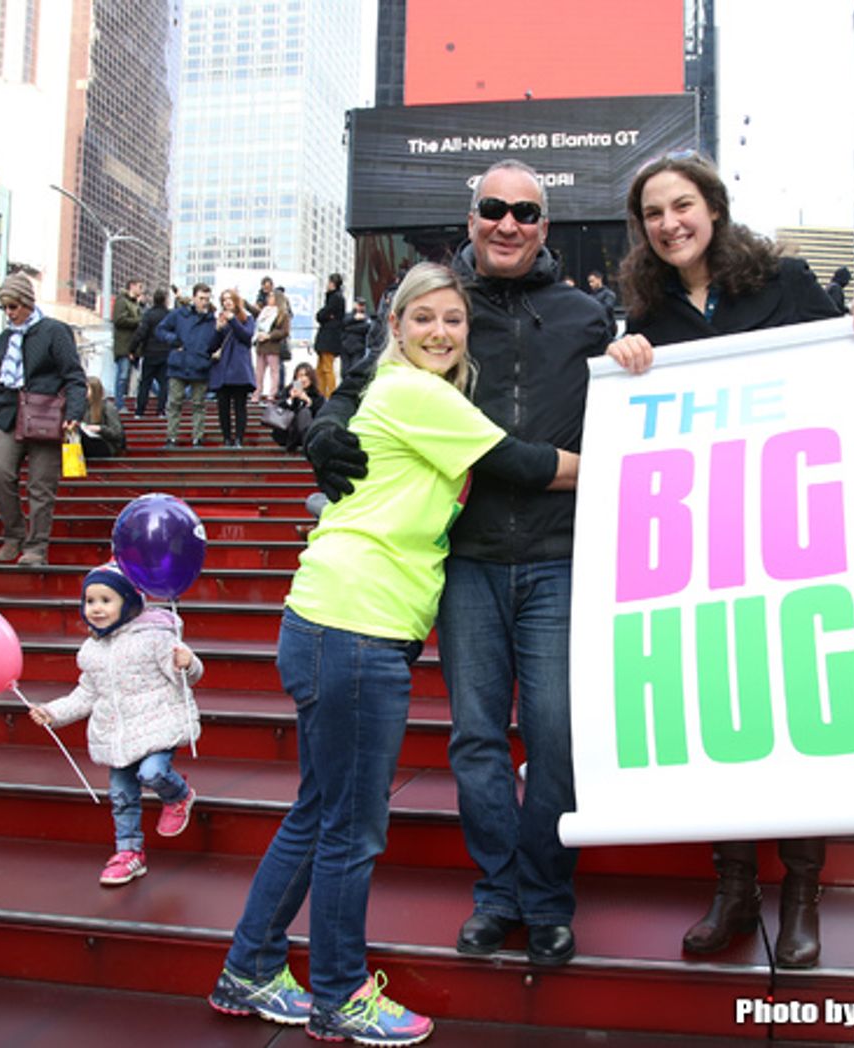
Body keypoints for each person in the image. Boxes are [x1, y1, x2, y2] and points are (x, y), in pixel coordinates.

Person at [209, 263, 579, 1043]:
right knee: (351, 827)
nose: (441, 331)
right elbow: (525, 465)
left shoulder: (416, 393)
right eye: (424, 320)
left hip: (334, 618)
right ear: (396, 328)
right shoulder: (417, 394)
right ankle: (339, 995)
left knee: (319, 812)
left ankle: (249, 968)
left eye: (455, 319)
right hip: (355, 624)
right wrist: (641, 464)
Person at [306, 159, 619, 968]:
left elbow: (644, 382)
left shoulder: (588, 315)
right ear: (471, 217)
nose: (507, 223)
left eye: (525, 211)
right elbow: (368, 381)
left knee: (555, 741)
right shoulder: (442, 308)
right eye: (493, 208)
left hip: (559, 556)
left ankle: (547, 899)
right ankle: (498, 894)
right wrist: (324, 424)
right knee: (477, 741)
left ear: (545, 227)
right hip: (466, 562)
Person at [606, 151, 854, 969]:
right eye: (653, 212)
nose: (669, 223)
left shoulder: (787, 280)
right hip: (707, 544)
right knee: (720, 711)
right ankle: (734, 890)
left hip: (796, 530)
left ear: (716, 209)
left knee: (799, 707)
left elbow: (847, 361)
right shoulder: (648, 314)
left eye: (682, 204)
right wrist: (629, 355)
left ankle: (801, 894)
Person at [28, 563, 203, 886]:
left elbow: (187, 676)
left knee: (152, 773)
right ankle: (129, 853)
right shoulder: (92, 650)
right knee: (122, 797)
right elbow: (85, 694)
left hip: (156, 724)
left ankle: (178, 795)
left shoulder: (155, 637)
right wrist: (53, 712)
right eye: (90, 601)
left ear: (128, 601)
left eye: (106, 600)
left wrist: (188, 663)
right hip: (116, 735)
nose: (96, 608)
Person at [0, 271, 86, 566]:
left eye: (13, 306)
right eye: (4, 307)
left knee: (41, 486)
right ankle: (14, 533)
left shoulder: (54, 330)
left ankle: (36, 547)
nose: (9, 313)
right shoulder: (5, 338)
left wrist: (74, 414)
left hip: (47, 417)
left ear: (27, 303)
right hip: (8, 414)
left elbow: (75, 376)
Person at [156, 283, 217, 448]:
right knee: (174, 402)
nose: (204, 302)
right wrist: (173, 340)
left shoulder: (212, 320)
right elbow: (160, 330)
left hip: (200, 364)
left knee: (199, 404)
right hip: (180, 363)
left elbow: (216, 340)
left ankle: (197, 437)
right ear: (194, 297)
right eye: (201, 298)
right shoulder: (179, 315)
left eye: (207, 299)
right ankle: (171, 437)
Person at [208, 289, 256, 448]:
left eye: (230, 299)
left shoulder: (246, 318)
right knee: (223, 406)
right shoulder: (220, 319)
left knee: (240, 406)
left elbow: (247, 336)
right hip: (223, 368)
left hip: (239, 368)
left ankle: (239, 439)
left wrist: (233, 320)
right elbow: (212, 346)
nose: (227, 302)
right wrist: (217, 330)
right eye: (224, 300)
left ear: (236, 301)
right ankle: (227, 438)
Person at [131, 288, 172, 417]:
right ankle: (161, 410)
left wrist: (132, 349)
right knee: (164, 384)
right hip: (165, 353)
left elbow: (140, 333)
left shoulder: (148, 314)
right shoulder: (169, 315)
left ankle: (140, 411)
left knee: (145, 383)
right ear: (165, 300)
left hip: (149, 353)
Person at [268, 362, 325, 454]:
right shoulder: (288, 391)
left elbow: (321, 415)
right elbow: (278, 411)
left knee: (305, 412)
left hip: (310, 432)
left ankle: (306, 442)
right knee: (302, 413)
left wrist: (308, 401)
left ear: (311, 378)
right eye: (300, 375)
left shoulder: (317, 395)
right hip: (289, 432)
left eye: (306, 375)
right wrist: (290, 399)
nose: (303, 379)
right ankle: (306, 444)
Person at [252, 289, 290, 402]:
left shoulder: (282, 314)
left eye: (272, 297)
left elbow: (284, 331)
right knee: (259, 371)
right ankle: (257, 391)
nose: (269, 299)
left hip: (273, 347)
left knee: (274, 371)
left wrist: (269, 336)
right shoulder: (264, 311)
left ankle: (272, 393)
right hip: (261, 345)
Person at [111, 280, 143, 409]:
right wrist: (138, 321)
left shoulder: (135, 304)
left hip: (134, 347)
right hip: (124, 346)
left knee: (141, 375)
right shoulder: (122, 301)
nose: (141, 290)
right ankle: (119, 404)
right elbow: (118, 320)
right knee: (123, 376)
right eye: (140, 286)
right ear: (132, 286)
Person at [313, 273, 345, 398]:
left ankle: (329, 394)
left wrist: (325, 316)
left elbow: (323, 314)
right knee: (320, 369)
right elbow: (324, 315)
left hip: (329, 339)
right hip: (327, 338)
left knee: (326, 368)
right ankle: (321, 393)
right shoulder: (335, 297)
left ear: (333, 284)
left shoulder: (336, 298)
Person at [80, 377, 125, 458]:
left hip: (107, 444)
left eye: (87, 389)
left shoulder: (107, 406)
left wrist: (100, 428)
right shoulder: (85, 406)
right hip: (92, 442)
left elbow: (118, 433)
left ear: (95, 390)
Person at [339, 298, 371, 380]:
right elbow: (343, 323)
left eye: (362, 305)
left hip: (358, 347)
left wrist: (349, 328)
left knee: (355, 370)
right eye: (359, 305)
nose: (361, 307)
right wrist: (354, 319)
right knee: (344, 372)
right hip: (345, 346)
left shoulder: (366, 318)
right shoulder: (348, 316)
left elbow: (365, 328)